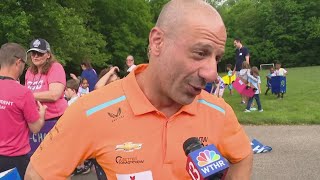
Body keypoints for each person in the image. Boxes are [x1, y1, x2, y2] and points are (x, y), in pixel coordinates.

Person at [25, 1, 253, 179]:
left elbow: (243, 156)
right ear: (157, 42)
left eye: (218, 57)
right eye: (200, 53)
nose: (212, 73)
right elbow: (38, 174)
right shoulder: (91, 110)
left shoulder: (218, 111)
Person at [0, 43, 46, 178]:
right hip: (14, 159)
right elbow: (35, 128)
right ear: (18, 62)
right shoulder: (23, 92)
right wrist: (41, 115)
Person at [25, 38, 67, 155]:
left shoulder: (55, 67)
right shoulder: (29, 72)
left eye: (40, 53)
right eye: (33, 53)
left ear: (48, 54)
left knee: (55, 157)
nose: (36, 56)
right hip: (36, 121)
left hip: (55, 120)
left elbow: (54, 94)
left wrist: (28, 96)